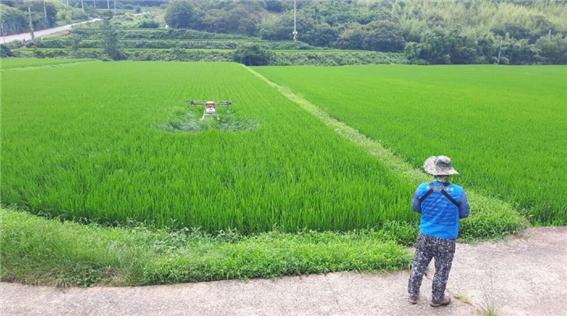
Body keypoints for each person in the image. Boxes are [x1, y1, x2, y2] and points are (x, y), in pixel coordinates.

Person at [408, 155, 470, 307]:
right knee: (442, 269)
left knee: (418, 264)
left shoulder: (423, 188)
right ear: (449, 173)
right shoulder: (458, 192)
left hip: (425, 235)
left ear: (434, 172)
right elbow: (464, 213)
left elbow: (416, 208)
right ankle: (437, 299)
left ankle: (413, 295)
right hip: (447, 238)